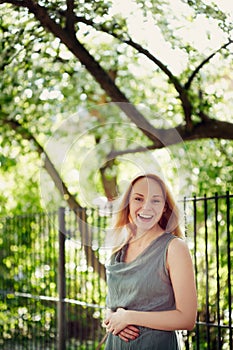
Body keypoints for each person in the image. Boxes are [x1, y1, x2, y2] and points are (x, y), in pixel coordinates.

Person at [103, 173, 197, 349]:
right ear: (128, 204)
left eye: (155, 200)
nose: (146, 207)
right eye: (139, 199)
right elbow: (112, 304)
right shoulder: (119, 246)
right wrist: (112, 318)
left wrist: (129, 317)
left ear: (164, 207)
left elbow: (187, 318)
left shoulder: (174, 248)